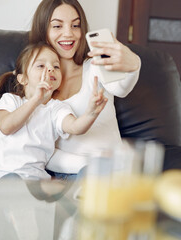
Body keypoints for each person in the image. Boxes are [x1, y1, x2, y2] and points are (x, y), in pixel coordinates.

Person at [29, 0, 141, 178]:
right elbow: (40, 149)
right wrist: (90, 165)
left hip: (111, 174)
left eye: (76, 25)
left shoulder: (95, 65)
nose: (69, 33)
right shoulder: (34, 79)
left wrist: (134, 63)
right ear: (43, 31)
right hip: (65, 176)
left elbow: (121, 88)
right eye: (57, 26)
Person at [0, 42, 107, 180]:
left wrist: (91, 113)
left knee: (90, 174)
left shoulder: (56, 108)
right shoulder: (10, 100)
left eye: (56, 66)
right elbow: (6, 127)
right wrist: (36, 100)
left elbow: (75, 127)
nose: (50, 69)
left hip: (36, 181)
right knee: (13, 180)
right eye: (41, 66)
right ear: (22, 79)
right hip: (2, 177)